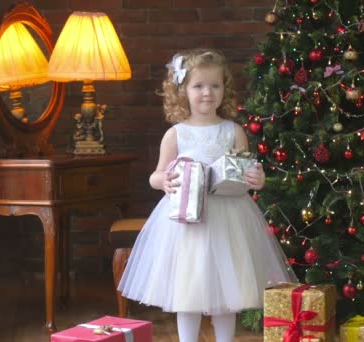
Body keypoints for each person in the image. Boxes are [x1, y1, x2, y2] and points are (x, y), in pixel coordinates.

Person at [117, 48, 297, 342]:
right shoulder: (176, 134)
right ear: (182, 90)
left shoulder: (233, 131)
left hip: (229, 218)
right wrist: (165, 180)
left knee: (228, 291)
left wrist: (257, 179)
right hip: (187, 223)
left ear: (224, 89)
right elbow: (155, 175)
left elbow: (244, 172)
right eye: (198, 86)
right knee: (187, 292)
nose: (207, 93)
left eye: (215, 85)